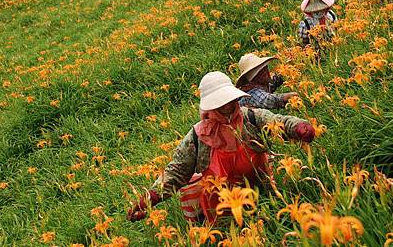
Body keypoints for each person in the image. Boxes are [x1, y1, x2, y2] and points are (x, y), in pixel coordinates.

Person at [127, 71, 316, 223]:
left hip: (264, 194)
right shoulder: (197, 136)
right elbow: (176, 172)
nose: (227, 105)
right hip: (223, 210)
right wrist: (149, 199)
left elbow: (277, 121)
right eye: (220, 101)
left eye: (229, 99)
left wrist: (298, 127)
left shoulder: (250, 117)